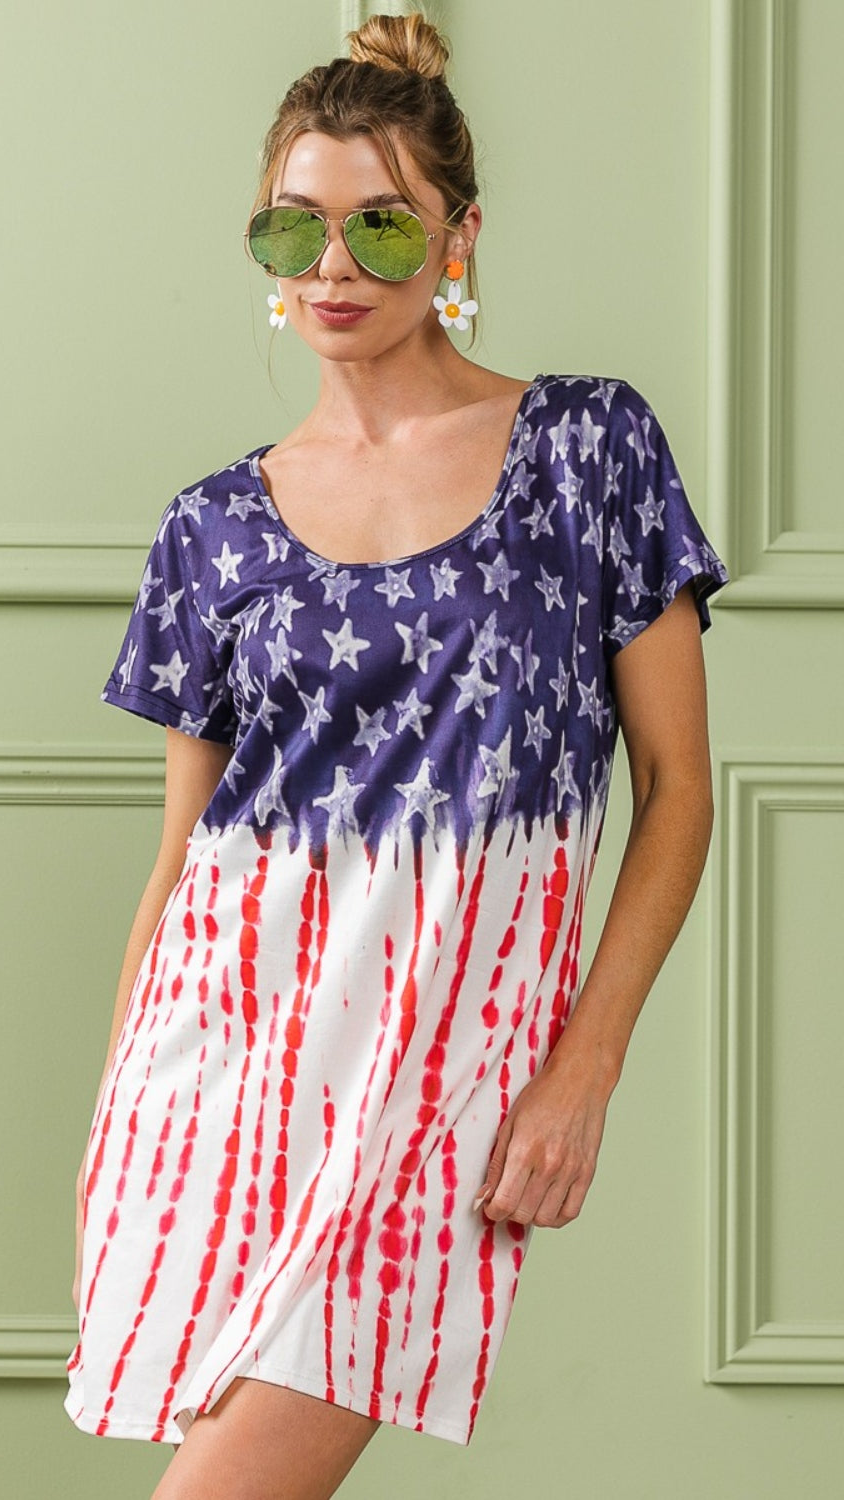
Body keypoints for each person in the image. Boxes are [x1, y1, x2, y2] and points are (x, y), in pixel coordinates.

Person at [64, 13, 729, 1499]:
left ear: (458, 235)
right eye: (291, 226)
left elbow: (679, 791)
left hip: (449, 1060)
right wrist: (123, 1116)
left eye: (379, 223)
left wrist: (586, 1067)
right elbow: (180, 862)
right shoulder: (211, 527)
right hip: (218, 1068)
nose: (333, 266)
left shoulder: (588, 451)